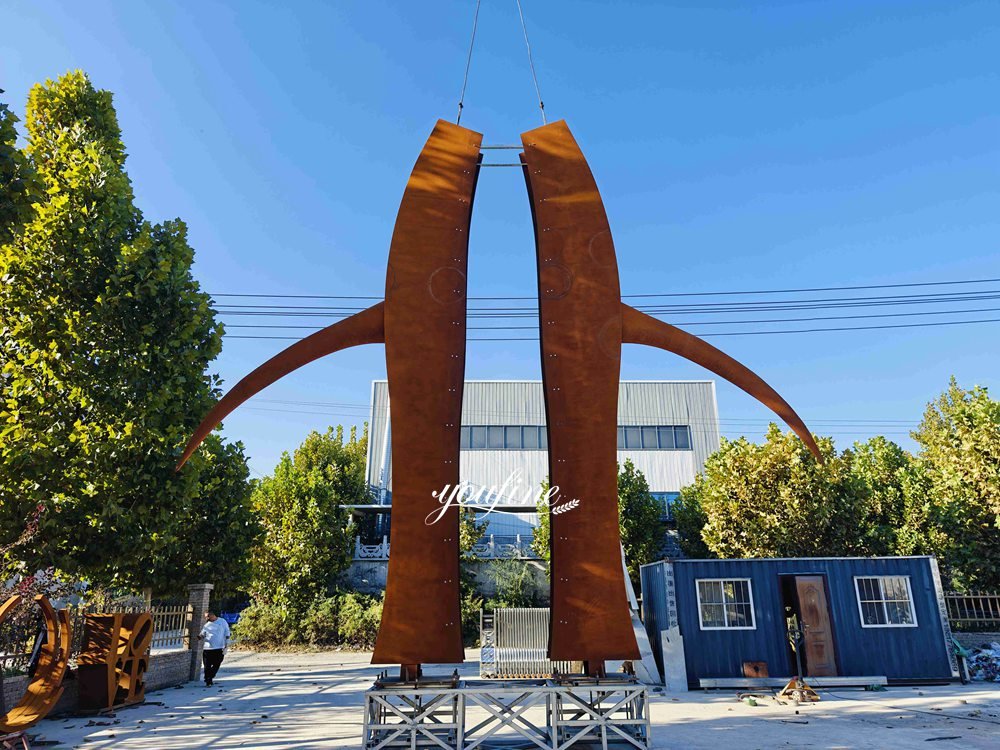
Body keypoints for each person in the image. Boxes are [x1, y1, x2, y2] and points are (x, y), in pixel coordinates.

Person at [198, 610, 231, 686]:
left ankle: (211, 676)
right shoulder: (207, 625)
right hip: (207, 648)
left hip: (219, 647)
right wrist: (200, 637)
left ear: (212, 615)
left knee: (217, 663)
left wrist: (227, 643)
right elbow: (203, 633)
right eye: (205, 617)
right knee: (207, 665)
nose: (206, 619)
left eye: (208, 617)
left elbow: (227, 632)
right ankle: (208, 680)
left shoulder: (222, 621)